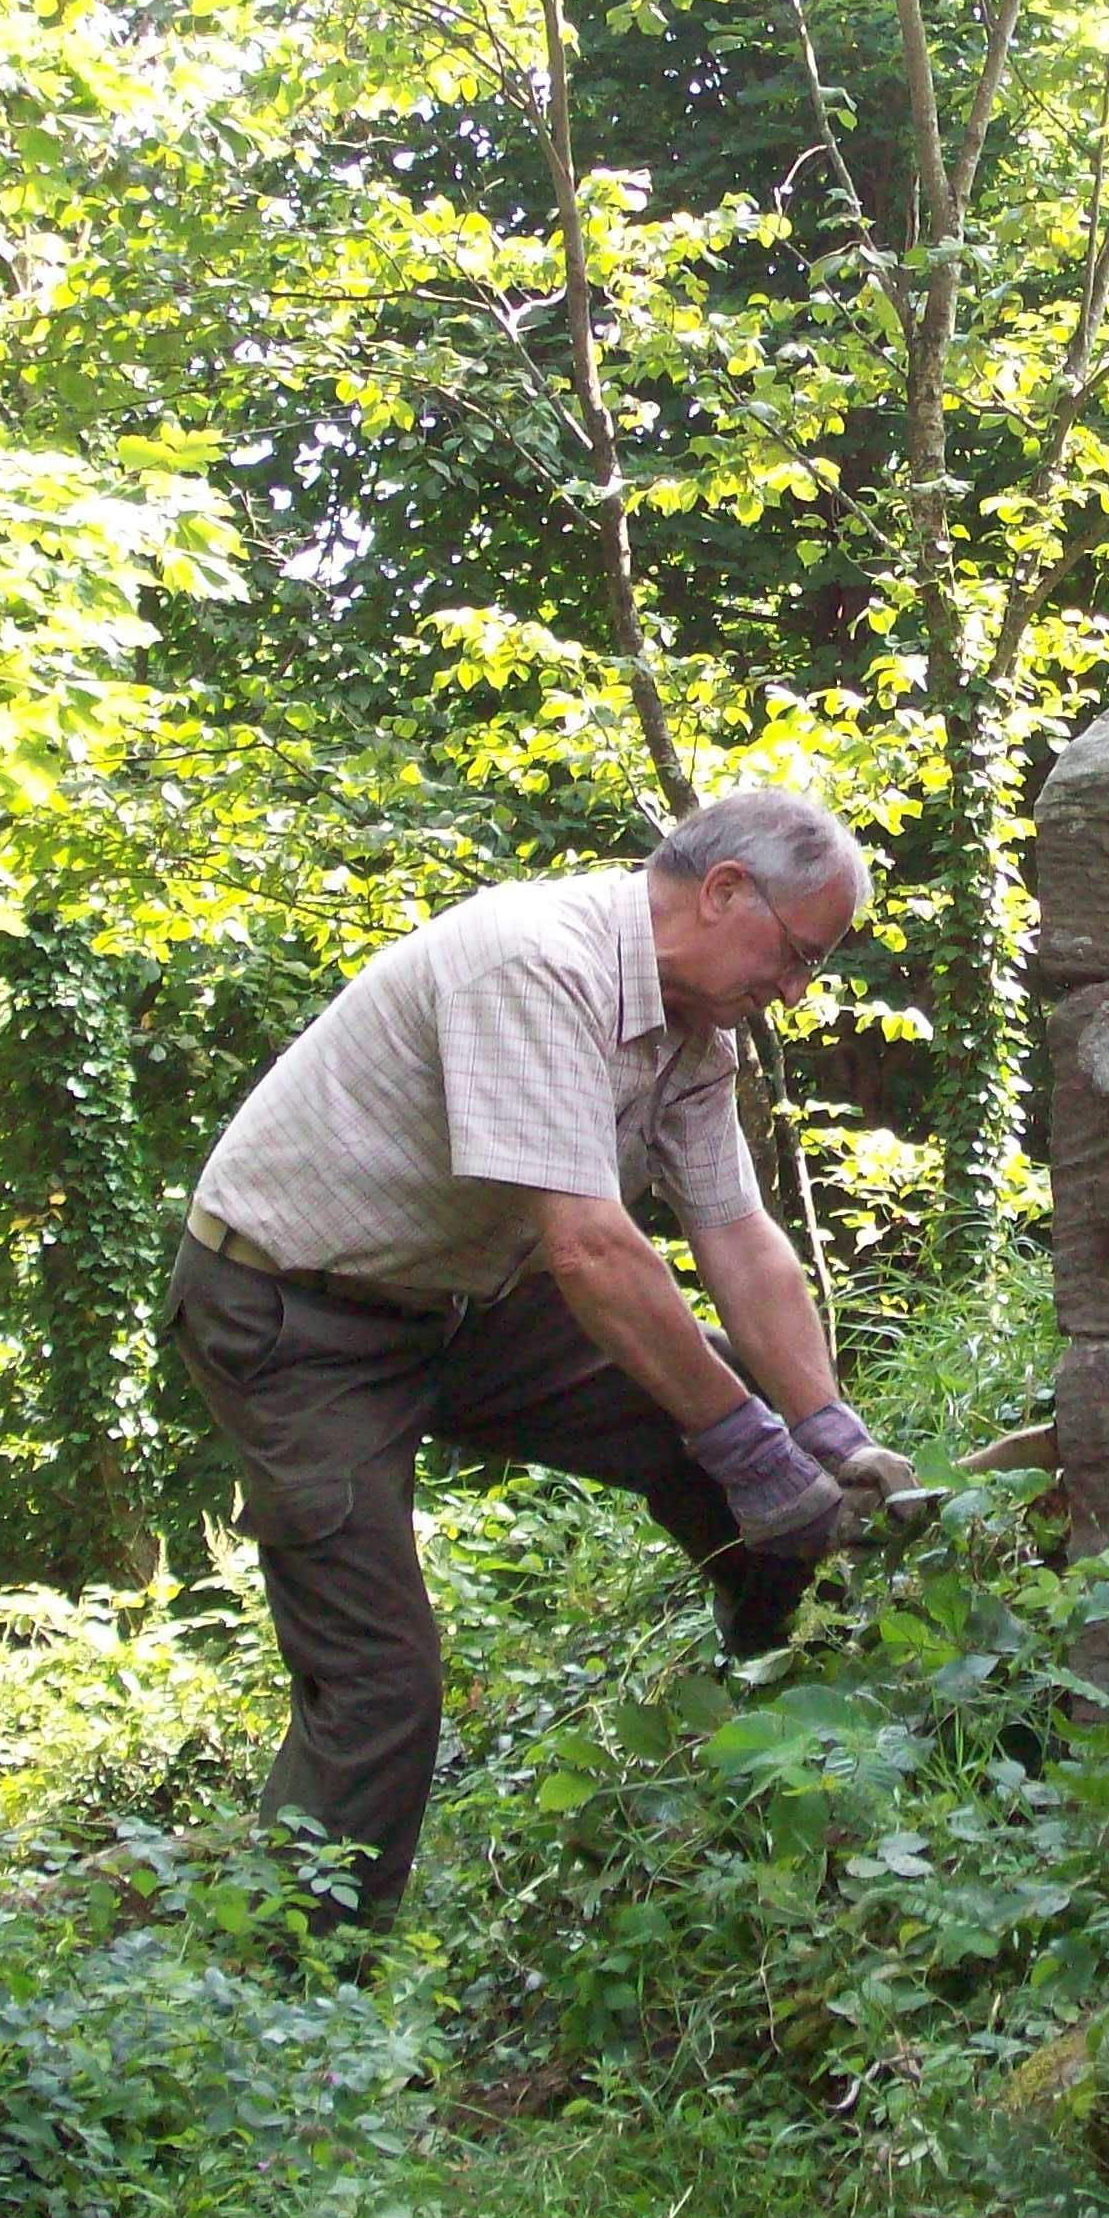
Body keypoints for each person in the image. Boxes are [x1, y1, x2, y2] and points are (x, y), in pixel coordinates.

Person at [163, 787, 914, 1921]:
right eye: (798, 954)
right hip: (296, 1318)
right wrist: (751, 1448)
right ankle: (301, 1978)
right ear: (724, 891)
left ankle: (792, 1712)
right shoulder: (533, 962)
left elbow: (738, 1234)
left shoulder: (691, 1032)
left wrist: (825, 1431)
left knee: (757, 1425)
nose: (797, 989)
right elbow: (592, 1249)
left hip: (467, 1300)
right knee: (379, 1680)